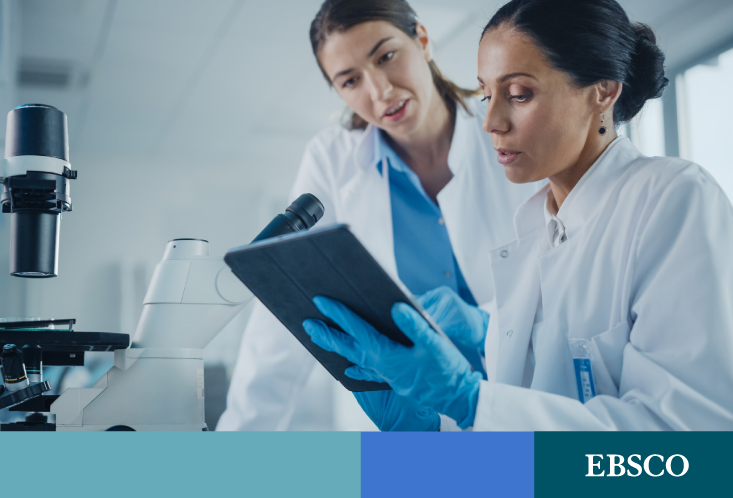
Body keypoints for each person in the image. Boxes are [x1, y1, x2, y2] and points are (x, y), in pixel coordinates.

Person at [303, 0, 733, 430]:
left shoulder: (673, 199)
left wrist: (467, 400)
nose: (490, 121)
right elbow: (520, 426)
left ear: (602, 90)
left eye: (518, 94)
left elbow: (685, 446)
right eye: (488, 95)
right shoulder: (533, 235)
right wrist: (434, 428)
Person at [217, 0, 537, 431]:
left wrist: (489, 326)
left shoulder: (506, 130)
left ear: (421, 41)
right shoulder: (332, 159)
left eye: (386, 56)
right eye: (350, 81)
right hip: (413, 429)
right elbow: (282, 320)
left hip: (525, 410)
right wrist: (236, 446)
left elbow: (565, 284)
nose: (380, 90)